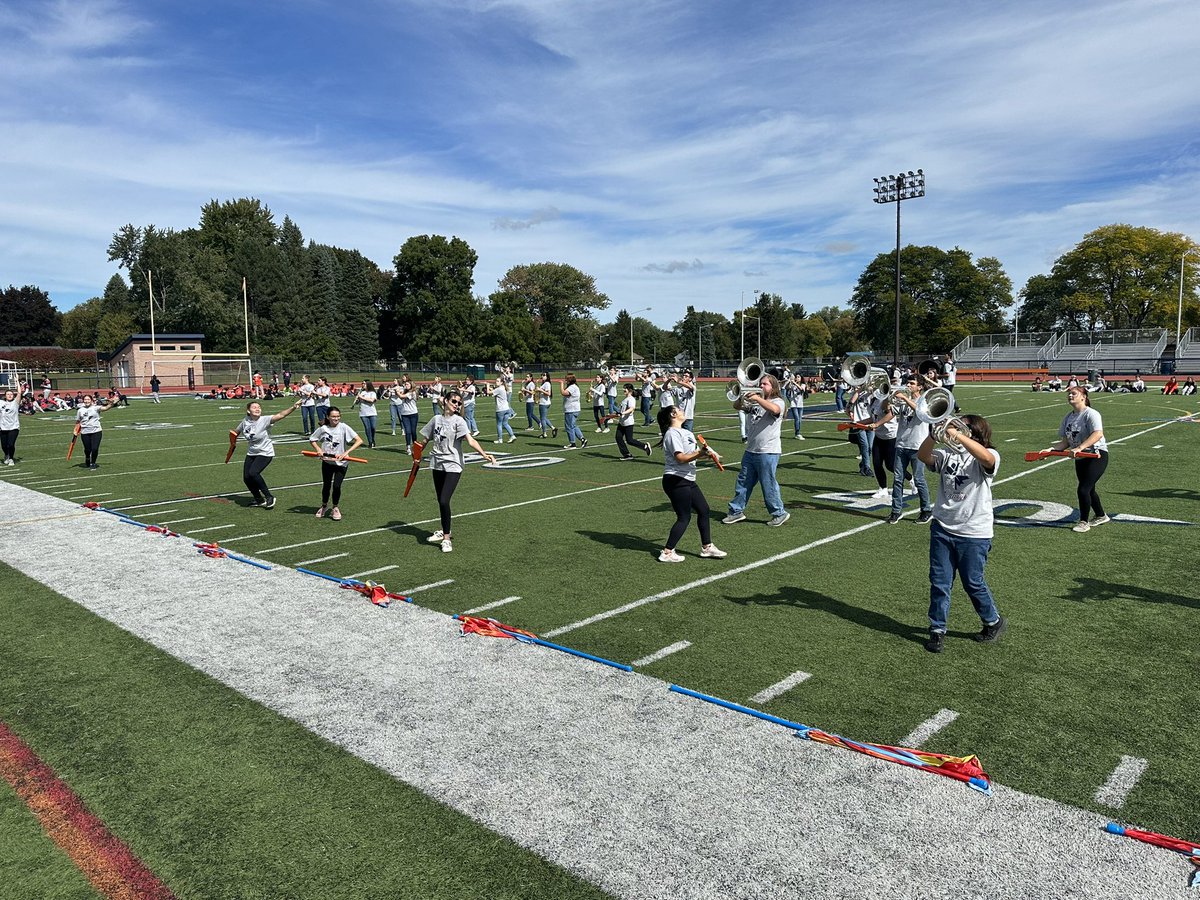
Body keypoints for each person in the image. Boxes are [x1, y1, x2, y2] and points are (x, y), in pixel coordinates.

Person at [917, 414, 1005, 653]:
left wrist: (957, 434)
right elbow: (923, 456)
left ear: (974, 431)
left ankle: (993, 621)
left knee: (973, 582)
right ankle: (937, 630)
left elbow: (987, 459)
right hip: (942, 528)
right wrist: (933, 435)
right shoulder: (947, 454)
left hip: (974, 532)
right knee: (939, 582)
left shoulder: (989, 454)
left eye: (961, 426)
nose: (953, 428)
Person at [420, 390, 496, 553]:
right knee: (441, 500)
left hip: (453, 464)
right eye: (454, 401)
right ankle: (444, 530)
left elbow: (470, 440)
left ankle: (446, 539)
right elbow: (425, 439)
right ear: (445, 401)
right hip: (437, 463)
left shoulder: (459, 421)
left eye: (459, 403)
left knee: (444, 500)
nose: (457, 405)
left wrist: (484, 454)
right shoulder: (436, 419)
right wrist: (417, 453)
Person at [655, 404, 727, 563]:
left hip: (688, 479)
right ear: (673, 415)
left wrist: (707, 455)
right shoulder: (672, 434)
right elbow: (680, 458)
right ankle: (667, 552)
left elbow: (691, 455)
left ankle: (707, 547)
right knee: (684, 517)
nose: (682, 410)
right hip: (676, 479)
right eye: (678, 409)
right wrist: (700, 453)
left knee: (704, 510)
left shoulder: (687, 432)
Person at [722, 374, 789, 527]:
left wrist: (758, 398)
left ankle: (779, 513)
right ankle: (736, 511)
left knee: (768, 484)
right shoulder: (756, 402)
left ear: (773, 387)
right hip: (751, 450)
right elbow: (737, 406)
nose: (761, 386)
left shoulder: (777, 401)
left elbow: (775, 409)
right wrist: (741, 396)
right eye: (760, 383)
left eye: (765, 384)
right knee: (743, 482)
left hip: (768, 451)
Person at [868, 374, 933, 525]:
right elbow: (889, 412)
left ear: (920, 387)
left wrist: (904, 398)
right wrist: (886, 398)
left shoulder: (924, 401)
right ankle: (896, 511)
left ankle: (926, 510)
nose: (908, 385)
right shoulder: (903, 400)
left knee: (919, 479)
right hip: (901, 444)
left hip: (918, 446)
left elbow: (921, 413)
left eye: (912, 383)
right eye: (908, 383)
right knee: (898, 479)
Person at [1043, 386, 1109, 533]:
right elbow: (1065, 442)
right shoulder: (1068, 417)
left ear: (1083, 397)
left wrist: (1080, 447)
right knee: (1089, 489)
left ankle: (1084, 522)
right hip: (1080, 457)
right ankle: (1101, 515)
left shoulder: (1091, 414)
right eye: (1069, 394)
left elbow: (1098, 434)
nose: (1070, 396)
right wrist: (1050, 451)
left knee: (1083, 489)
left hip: (1096, 455)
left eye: (1074, 393)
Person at [233, 398, 302, 508]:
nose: (257, 409)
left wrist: (293, 407)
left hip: (265, 452)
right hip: (252, 452)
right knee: (246, 478)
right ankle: (259, 500)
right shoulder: (245, 421)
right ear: (248, 411)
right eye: (254, 407)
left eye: (259, 407)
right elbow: (235, 432)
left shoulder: (265, 420)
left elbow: (281, 415)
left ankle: (269, 497)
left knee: (253, 473)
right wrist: (232, 441)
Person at [309, 406, 363, 521]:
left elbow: (359, 440)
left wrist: (346, 453)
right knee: (326, 485)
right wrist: (319, 449)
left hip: (341, 463)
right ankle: (324, 506)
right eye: (333, 416)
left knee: (337, 486)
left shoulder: (343, 427)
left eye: (338, 416)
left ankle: (335, 507)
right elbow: (312, 439)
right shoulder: (323, 428)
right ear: (328, 417)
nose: (336, 418)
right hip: (327, 462)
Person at [74, 393, 120, 469]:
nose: (86, 401)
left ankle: (93, 463)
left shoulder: (96, 408)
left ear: (91, 400)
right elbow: (78, 421)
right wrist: (75, 430)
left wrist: (111, 403)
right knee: (87, 449)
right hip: (85, 432)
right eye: (85, 399)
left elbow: (105, 408)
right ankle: (87, 457)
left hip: (96, 431)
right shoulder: (80, 410)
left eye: (88, 399)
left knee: (94, 448)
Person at [614, 383, 652, 459]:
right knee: (618, 437)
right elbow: (622, 410)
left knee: (630, 440)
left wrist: (622, 413)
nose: (623, 390)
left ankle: (645, 446)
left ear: (630, 390)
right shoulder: (625, 399)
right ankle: (627, 455)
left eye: (625, 388)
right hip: (622, 422)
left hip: (628, 423)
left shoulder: (631, 399)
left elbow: (631, 409)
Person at [846, 385, 874, 478]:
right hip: (858, 423)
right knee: (864, 445)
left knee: (870, 447)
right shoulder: (855, 393)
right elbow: (850, 405)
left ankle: (863, 464)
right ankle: (867, 468)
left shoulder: (873, 393)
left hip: (870, 423)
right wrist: (860, 389)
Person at [559, 373, 587, 450]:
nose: (565, 381)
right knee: (573, 425)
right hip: (574, 409)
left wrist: (561, 384)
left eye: (566, 379)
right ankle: (582, 439)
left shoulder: (572, 387)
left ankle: (572, 443)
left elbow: (564, 393)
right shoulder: (574, 387)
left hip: (571, 409)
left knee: (569, 426)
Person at [397, 375, 420, 454]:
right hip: (404, 414)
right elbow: (401, 396)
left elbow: (401, 396)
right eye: (405, 384)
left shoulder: (412, 393)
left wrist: (397, 392)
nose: (405, 385)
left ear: (411, 385)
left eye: (407, 384)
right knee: (408, 431)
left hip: (413, 414)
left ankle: (415, 446)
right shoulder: (405, 391)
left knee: (413, 431)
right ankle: (408, 447)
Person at [354, 381, 379, 448]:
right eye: (362, 383)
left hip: (372, 412)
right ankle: (370, 442)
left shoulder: (372, 393)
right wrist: (357, 399)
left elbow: (371, 400)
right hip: (363, 413)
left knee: (373, 427)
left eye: (364, 383)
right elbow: (357, 402)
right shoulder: (362, 392)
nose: (363, 384)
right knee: (367, 428)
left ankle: (372, 439)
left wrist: (361, 397)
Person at [492, 375, 516, 443]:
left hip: (500, 409)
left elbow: (488, 392)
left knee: (499, 424)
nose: (496, 382)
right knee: (505, 423)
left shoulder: (499, 389)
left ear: (501, 382)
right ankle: (512, 436)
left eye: (498, 381)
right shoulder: (504, 388)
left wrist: (487, 386)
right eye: (496, 381)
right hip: (507, 408)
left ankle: (500, 439)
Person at [783, 374, 807, 439]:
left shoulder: (803, 384)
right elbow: (786, 388)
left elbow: (802, 389)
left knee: (800, 420)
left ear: (801, 378)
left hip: (800, 404)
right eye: (796, 377)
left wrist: (795, 383)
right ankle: (797, 434)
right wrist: (789, 382)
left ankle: (797, 432)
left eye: (798, 377)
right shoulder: (792, 385)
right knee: (797, 419)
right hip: (793, 404)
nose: (797, 378)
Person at [0, 389, 20, 465]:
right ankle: (6, 455)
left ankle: (11, 458)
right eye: (8, 394)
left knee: (11, 444)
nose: (9, 395)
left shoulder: (15, 403)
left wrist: (17, 382)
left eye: (11, 394)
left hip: (13, 427)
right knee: (4, 446)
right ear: (5, 396)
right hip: (3, 427)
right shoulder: (1, 403)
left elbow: (19, 393)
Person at [537, 372, 558, 438]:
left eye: (544, 375)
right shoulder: (544, 383)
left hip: (544, 403)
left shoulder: (547, 383)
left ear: (547, 377)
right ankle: (553, 428)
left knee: (542, 419)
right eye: (542, 375)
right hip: (543, 402)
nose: (542, 376)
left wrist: (540, 390)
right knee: (544, 418)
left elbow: (548, 393)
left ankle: (544, 433)